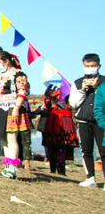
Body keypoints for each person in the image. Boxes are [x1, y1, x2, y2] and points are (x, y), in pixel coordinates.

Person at [0, 51, 30, 179]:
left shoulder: (18, 74)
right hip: (0, 109)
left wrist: (17, 108)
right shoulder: (0, 75)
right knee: (4, 139)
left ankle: (13, 168)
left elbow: (22, 91)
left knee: (12, 138)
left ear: (6, 61)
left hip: (12, 109)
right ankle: (7, 167)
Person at [68, 53, 104, 187]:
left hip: (101, 121)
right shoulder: (77, 83)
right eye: (87, 66)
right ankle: (90, 177)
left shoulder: (104, 82)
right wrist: (82, 90)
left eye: (93, 66)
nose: (90, 68)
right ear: (83, 66)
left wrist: (96, 88)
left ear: (99, 66)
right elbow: (74, 103)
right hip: (84, 120)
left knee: (104, 149)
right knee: (86, 150)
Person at [38, 83, 78, 175]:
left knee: (53, 146)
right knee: (62, 146)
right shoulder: (66, 94)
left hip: (53, 121)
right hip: (63, 121)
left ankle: (53, 169)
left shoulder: (47, 97)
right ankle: (61, 170)